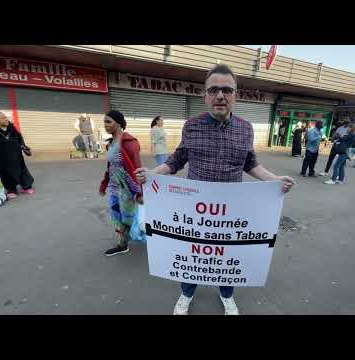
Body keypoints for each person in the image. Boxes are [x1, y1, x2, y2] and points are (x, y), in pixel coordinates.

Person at [134, 64, 295, 316]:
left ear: (236, 95)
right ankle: (186, 294)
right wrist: (153, 174)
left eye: (227, 90)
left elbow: (250, 163)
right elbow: (177, 160)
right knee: (193, 254)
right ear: (205, 95)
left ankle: (227, 295)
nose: (220, 95)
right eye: (214, 90)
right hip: (195, 212)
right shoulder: (192, 126)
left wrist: (275, 181)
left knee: (226, 256)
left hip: (230, 213)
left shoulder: (245, 129)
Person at [99, 110, 144, 256]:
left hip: (127, 187)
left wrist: (140, 192)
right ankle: (122, 244)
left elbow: (137, 168)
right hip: (114, 187)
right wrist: (104, 183)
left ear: (118, 123)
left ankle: (145, 234)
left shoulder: (129, 143)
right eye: (104, 122)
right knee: (116, 215)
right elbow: (111, 166)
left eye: (109, 121)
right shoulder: (111, 143)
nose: (106, 125)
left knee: (128, 217)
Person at [0, 112, 34, 199]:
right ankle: (11, 190)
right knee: (5, 173)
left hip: (15, 154)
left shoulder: (11, 127)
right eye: (3, 118)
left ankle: (27, 186)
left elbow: (19, 137)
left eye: (6, 117)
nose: (6, 119)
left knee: (22, 170)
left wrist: (23, 146)